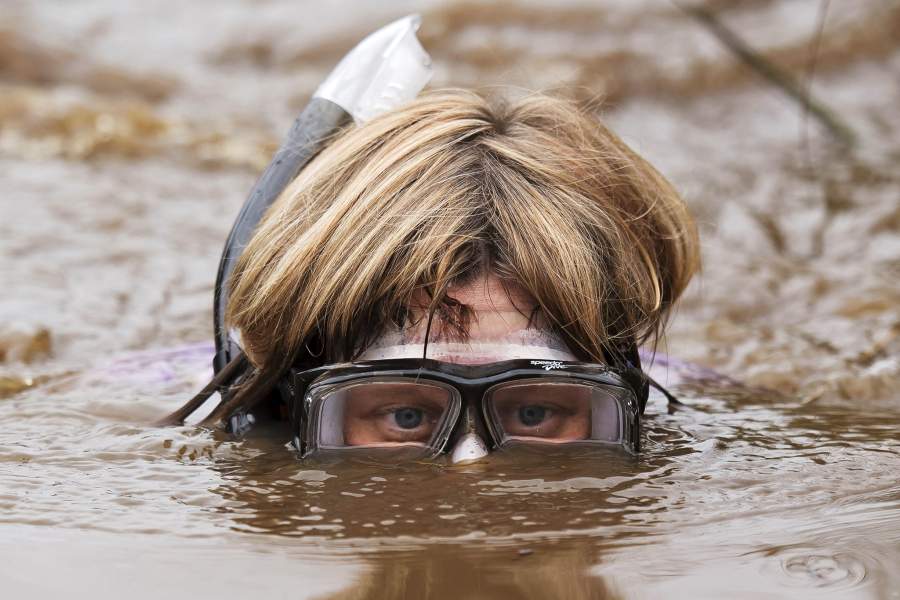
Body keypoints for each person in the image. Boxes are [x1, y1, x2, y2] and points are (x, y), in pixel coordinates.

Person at [163, 88, 699, 463]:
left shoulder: (697, 401)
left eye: (535, 412)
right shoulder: (137, 401)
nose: (471, 466)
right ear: (288, 408)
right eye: (404, 416)